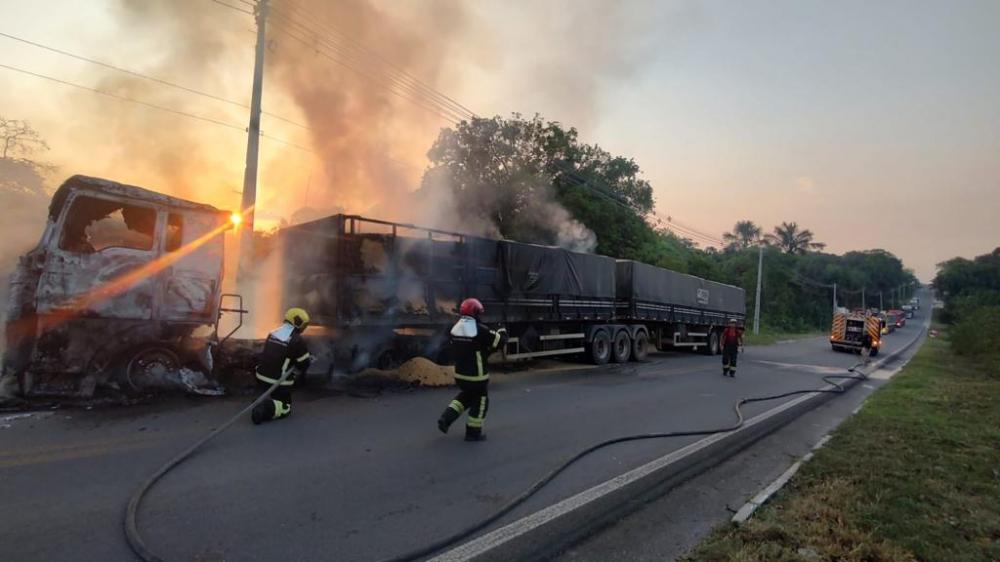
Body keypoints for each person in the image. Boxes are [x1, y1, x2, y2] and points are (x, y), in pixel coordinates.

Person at [437, 298, 507, 441]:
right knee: (481, 400)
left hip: (460, 375)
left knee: (466, 396)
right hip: (477, 376)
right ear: (475, 312)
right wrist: (501, 328)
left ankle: (446, 418)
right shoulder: (481, 330)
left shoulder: (455, 329)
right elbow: (500, 341)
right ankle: (473, 432)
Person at [251, 308, 313, 425]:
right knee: (285, 407)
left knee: (270, 391)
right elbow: (304, 364)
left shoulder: (273, 333)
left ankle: (263, 400)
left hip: (260, 375)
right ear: (298, 323)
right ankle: (263, 409)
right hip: (278, 381)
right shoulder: (297, 340)